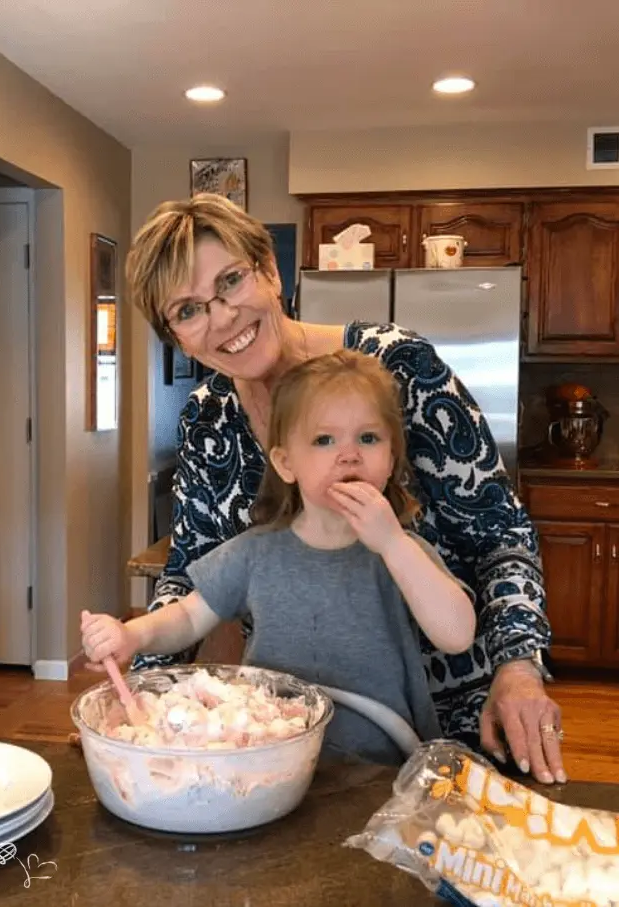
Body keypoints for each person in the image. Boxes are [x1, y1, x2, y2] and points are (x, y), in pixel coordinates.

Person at [124, 192, 565, 783]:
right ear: (176, 336)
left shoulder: (398, 369)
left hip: (451, 731)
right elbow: (190, 573)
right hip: (292, 743)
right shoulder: (208, 421)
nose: (223, 316)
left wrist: (517, 669)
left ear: (270, 271)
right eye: (188, 310)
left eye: (231, 280)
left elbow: (500, 535)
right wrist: (136, 707)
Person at [83, 350, 477, 764]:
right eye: (324, 440)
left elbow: (456, 635)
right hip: (270, 761)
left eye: (369, 438)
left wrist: (393, 544)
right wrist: (133, 635)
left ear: (391, 459)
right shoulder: (256, 552)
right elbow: (189, 616)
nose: (349, 454)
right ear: (286, 463)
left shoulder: (402, 552)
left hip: (378, 766)